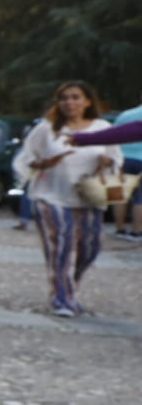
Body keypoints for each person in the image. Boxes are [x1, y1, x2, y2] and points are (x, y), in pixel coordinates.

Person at [11, 81, 123, 316]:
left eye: (75, 97)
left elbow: (116, 157)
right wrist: (43, 163)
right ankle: (61, 298)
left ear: (87, 101)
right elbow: (25, 158)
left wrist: (107, 162)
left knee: (90, 247)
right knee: (60, 245)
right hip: (51, 196)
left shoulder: (102, 127)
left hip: (89, 197)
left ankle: (69, 281)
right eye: (64, 98)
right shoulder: (47, 129)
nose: (69, 102)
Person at [68, 101, 142, 239]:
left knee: (119, 194)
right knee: (140, 198)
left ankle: (120, 229)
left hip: (124, 158)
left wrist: (82, 138)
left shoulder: (126, 114)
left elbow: (118, 133)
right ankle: (137, 231)